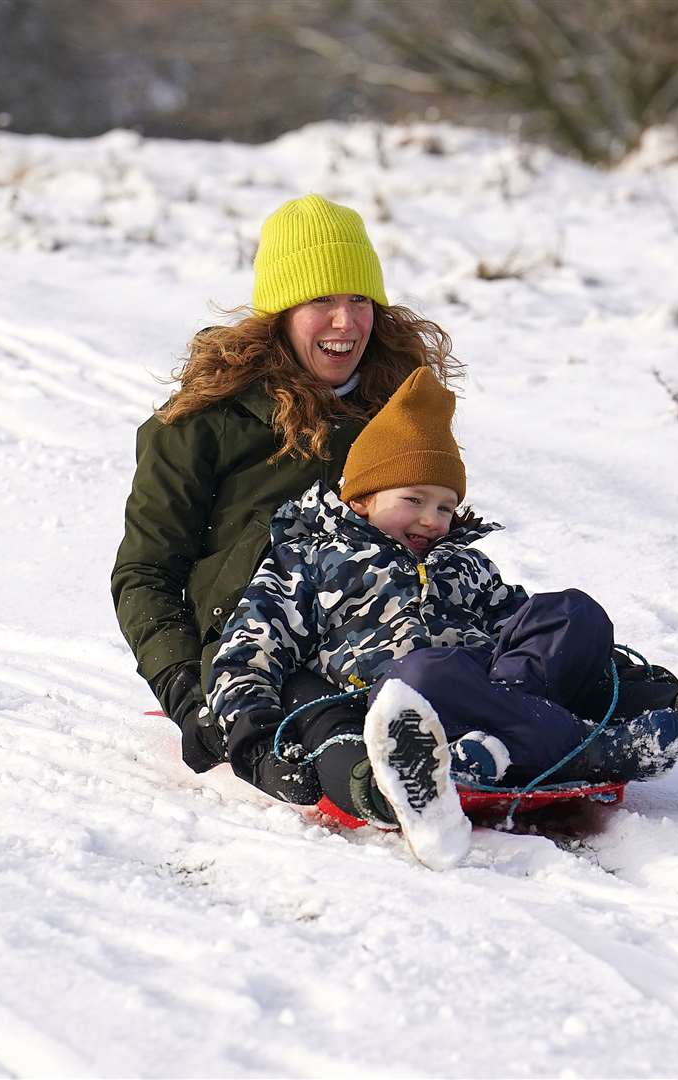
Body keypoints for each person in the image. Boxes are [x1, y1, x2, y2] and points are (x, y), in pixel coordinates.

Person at [208, 366, 678, 868]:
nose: (433, 520)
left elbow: (529, 629)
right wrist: (257, 740)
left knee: (573, 613)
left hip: (503, 691)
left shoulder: (464, 566)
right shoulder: (311, 564)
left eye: (446, 506)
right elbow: (243, 658)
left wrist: (607, 670)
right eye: (414, 500)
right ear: (362, 496)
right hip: (407, 702)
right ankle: (616, 742)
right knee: (428, 672)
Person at [111, 193, 461, 773]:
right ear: (280, 311)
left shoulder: (397, 410)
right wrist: (188, 694)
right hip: (260, 652)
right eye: (320, 299)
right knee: (317, 725)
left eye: (359, 299)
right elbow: (146, 572)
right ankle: (379, 781)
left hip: (383, 632)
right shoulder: (203, 425)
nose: (345, 322)